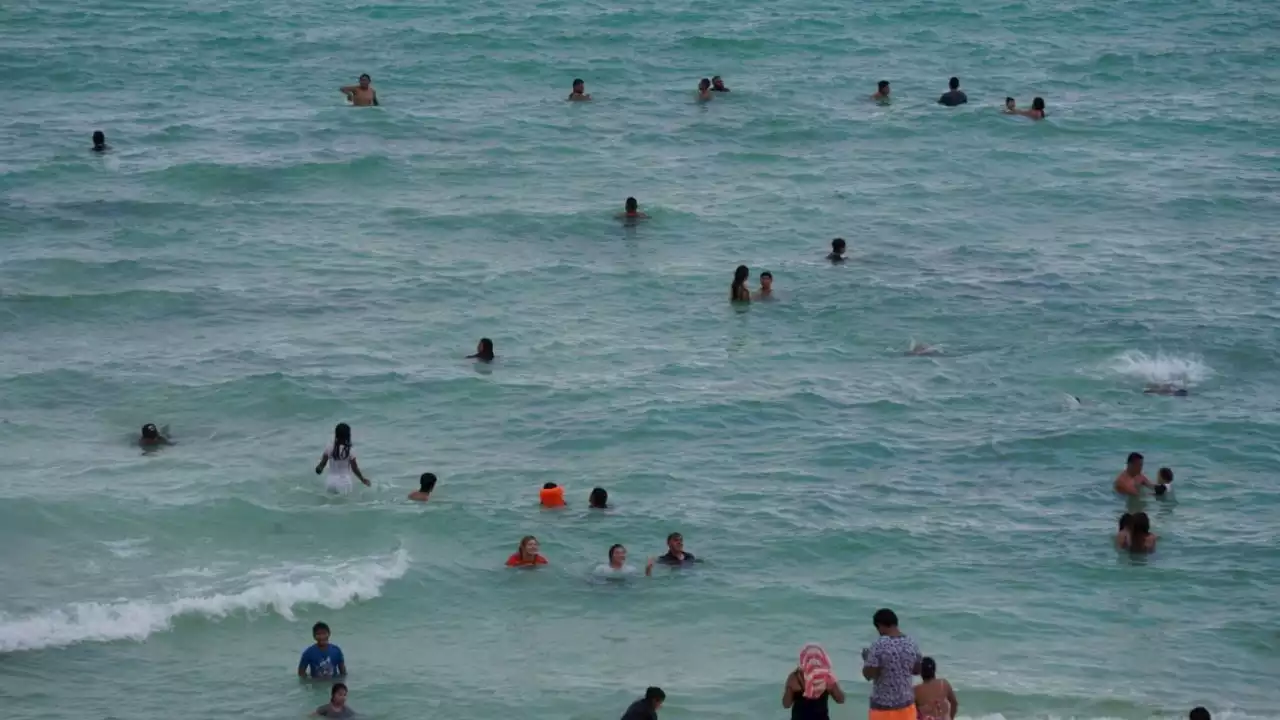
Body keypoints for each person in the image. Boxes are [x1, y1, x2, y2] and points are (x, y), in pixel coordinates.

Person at [861, 608, 922, 720]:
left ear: (880, 625)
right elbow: (917, 670)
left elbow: (869, 675)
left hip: (883, 709)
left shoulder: (879, 644)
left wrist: (867, 660)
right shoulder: (911, 643)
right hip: (907, 707)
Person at [783, 644, 845, 720]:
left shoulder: (795, 677)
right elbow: (841, 700)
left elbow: (786, 704)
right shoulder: (827, 677)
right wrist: (832, 684)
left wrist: (790, 688)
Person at [315, 423, 371, 494]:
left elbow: (321, 465)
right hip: (344, 482)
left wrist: (318, 469)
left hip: (331, 482)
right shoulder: (350, 450)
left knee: (329, 504)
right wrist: (362, 479)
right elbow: (355, 468)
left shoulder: (329, 448)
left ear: (336, 434)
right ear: (348, 435)